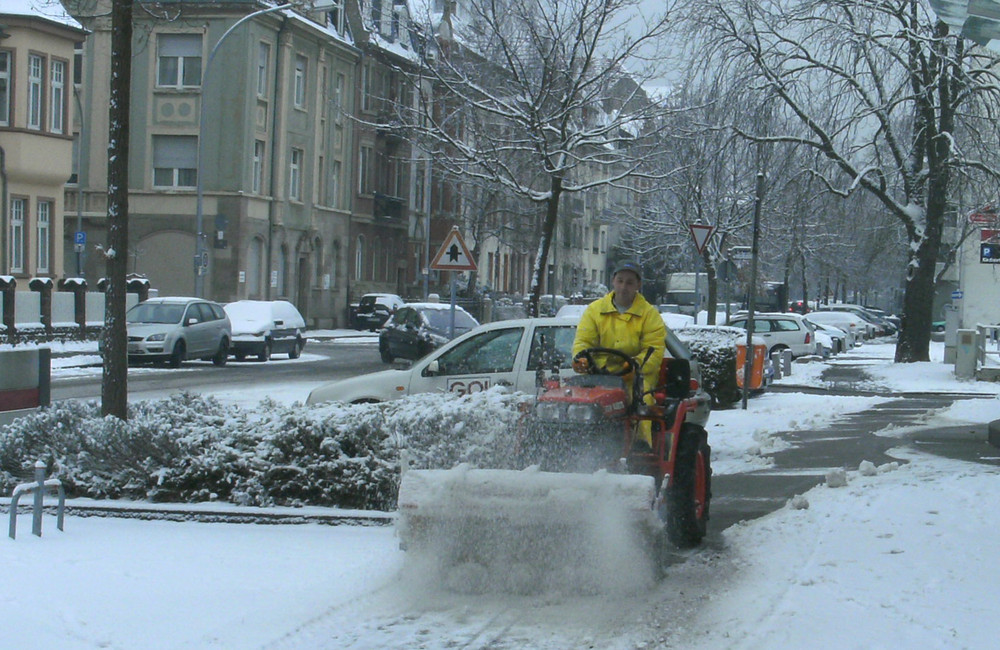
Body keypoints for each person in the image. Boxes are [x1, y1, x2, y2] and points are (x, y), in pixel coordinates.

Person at [571, 261, 666, 451]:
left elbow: (653, 350)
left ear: (638, 286)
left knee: (643, 402)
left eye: (630, 282)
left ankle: (640, 446)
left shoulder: (649, 315)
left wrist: (634, 367)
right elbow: (583, 341)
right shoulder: (594, 311)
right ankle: (574, 445)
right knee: (575, 403)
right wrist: (580, 359)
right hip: (597, 377)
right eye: (620, 280)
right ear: (613, 281)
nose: (624, 287)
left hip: (636, 380)